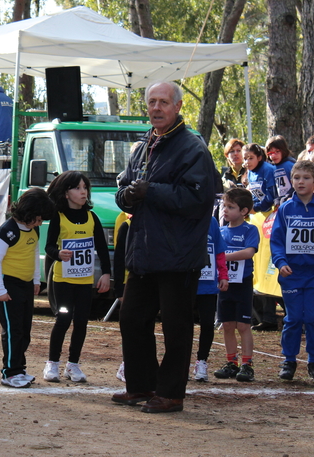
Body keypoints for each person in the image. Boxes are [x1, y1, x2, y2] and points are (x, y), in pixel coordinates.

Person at [111, 81, 217, 414]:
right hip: (143, 251)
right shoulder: (144, 145)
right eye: (152, 102)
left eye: (163, 102)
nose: (156, 108)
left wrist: (150, 192)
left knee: (176, 326)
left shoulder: (193, 148)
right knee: (131, 319)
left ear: (178, 106)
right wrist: (126, 195)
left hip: (178, 255)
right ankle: (141, 385)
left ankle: (171, 393)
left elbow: (198, 198)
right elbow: (123, 186)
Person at [42, 171, 111, 384]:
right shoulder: (58, 217)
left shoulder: (92, 218)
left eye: (85, 188)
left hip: (84, 281)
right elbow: (49, 246)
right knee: (63, 319)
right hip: (63, 280)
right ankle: (52, 363)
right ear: (65, 193)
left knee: (81, 322)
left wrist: (107, 274)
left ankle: (73, 364)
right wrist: (58, 254)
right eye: (78, 188)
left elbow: (102, 248)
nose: (83, 192)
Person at [270, 160, 314, 382]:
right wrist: (280, 262)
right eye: (297, 177)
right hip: (291, 274)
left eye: (306, 178)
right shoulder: (285, 209)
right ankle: (289, 360)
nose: (301, 182)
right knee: (294, 318)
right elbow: (276, 240)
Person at [0, 188, 55, 388]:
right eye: (38, 218)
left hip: (26, 285)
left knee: (25, 330)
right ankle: (9, 372)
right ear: (28, 212)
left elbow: (34, 253)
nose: (40, 223)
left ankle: (19, 368)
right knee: (13, 331)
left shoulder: (33, 229)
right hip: (9, 286)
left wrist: (36, 280)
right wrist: (0, 290)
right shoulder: (7, 231)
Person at [212, 189, 260, 382]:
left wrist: (224, 257)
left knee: (243, 325)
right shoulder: (221, 231)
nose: (225, 210)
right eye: (224, 206)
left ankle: (247, 364)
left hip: (242, 284)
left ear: (244, 211)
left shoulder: (250, 230)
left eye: (231, 207)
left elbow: (249, 252)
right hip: (224, 284)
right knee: (227, 324)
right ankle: (231, 362)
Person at [193, 216, 229, 381]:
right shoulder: (179, 215)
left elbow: (219, 251)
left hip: (207, 283)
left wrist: (223, 275)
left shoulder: (211, 221)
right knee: (183, 324)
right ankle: (181, 361)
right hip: (186, 282)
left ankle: (202, 361)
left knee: (207, 323)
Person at [243, 143, 276, 213]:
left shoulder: (268, 169)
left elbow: (271, 195)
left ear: (259, 158)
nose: (247, 162)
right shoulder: (250, 171)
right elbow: (255, 195)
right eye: (245, 159)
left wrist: (256, 208)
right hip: (260, 211)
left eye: (251, 158)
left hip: (273, 209)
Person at [265, 135, 295, 204]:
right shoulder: (271, 168)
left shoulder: (289, 165)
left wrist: (288, 196)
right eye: (271, 153)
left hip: (291, 199)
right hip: (279, 201)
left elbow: (296, 184)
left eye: (277, 151)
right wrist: (277, 199)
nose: (273, 155)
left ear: (283, 151)